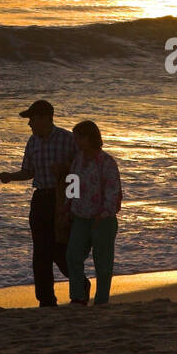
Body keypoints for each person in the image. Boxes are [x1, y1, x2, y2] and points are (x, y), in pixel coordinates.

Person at [0, 99, 88, 306]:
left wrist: (68, 190)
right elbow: (29, 172)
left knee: (60, 248)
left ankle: (80, 288)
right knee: (40, 252)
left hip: (63, 197)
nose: (29, 124)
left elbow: (82, 170)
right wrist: (10, 176)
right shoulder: (33, 142)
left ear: (46, 118)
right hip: (40, 198)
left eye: (32, 119)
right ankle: (46, 300)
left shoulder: (68, 139)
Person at [65, 120, 122, 307]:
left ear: (89, 138)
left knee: (102, 263)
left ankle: (101, 301)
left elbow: (114, 192)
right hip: (80, 217)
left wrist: (104, 213)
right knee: (73, 256)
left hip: (102, 219)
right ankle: (78, 296)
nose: (76, 142)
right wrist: (69, 207)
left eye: (79, 138)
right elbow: (71, 182)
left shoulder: (106, 162)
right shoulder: (78, 160)